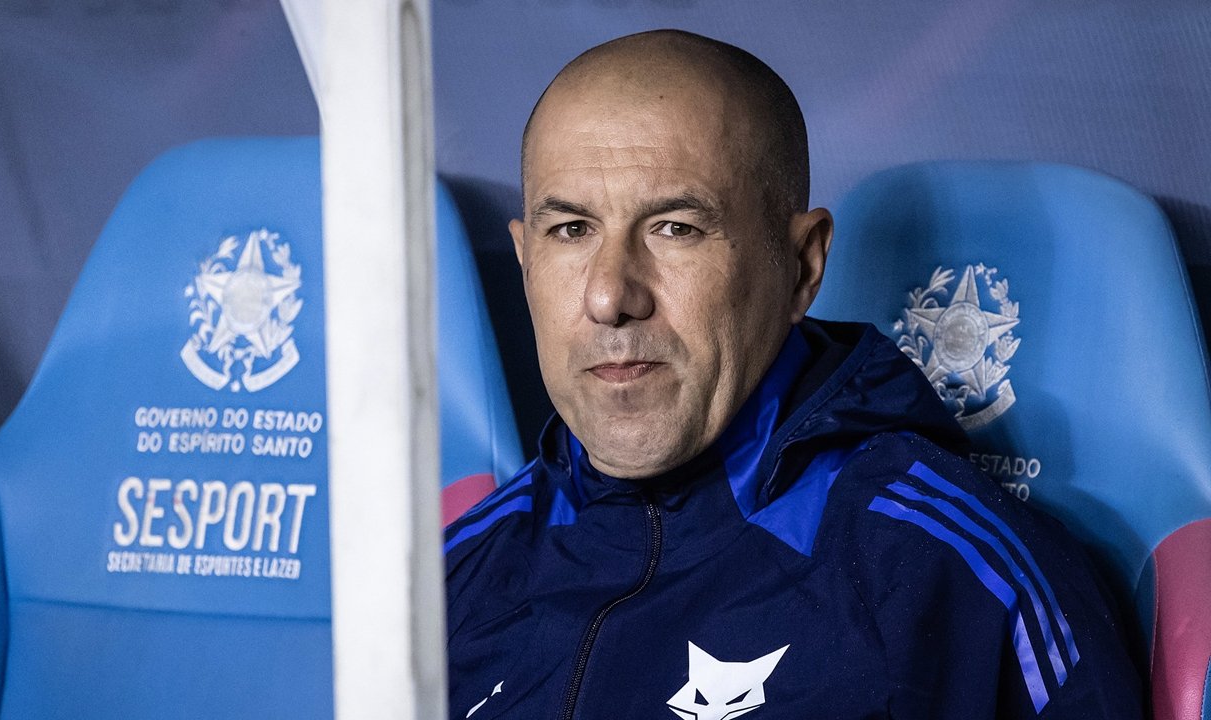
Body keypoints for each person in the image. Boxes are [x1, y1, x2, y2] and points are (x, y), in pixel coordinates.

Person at [444, 29, 1141, 719]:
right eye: (570, 230)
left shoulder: (954, 574)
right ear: (525, 259)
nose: (609, 296)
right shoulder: (453, 577)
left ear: (801, 266)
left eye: (676, 228)